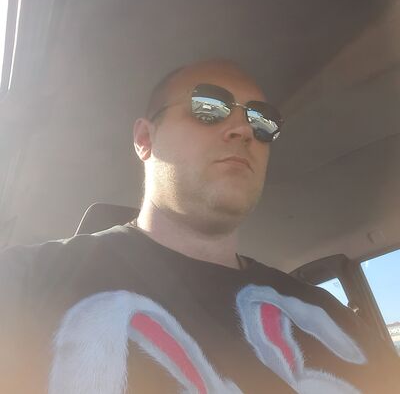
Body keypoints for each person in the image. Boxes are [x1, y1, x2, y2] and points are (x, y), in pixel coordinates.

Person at [0, 59, 398, 394]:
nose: (244, 130)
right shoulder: (26, 283)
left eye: (262, 120)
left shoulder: (333, 317)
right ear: (145, 138)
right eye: (209, 106)